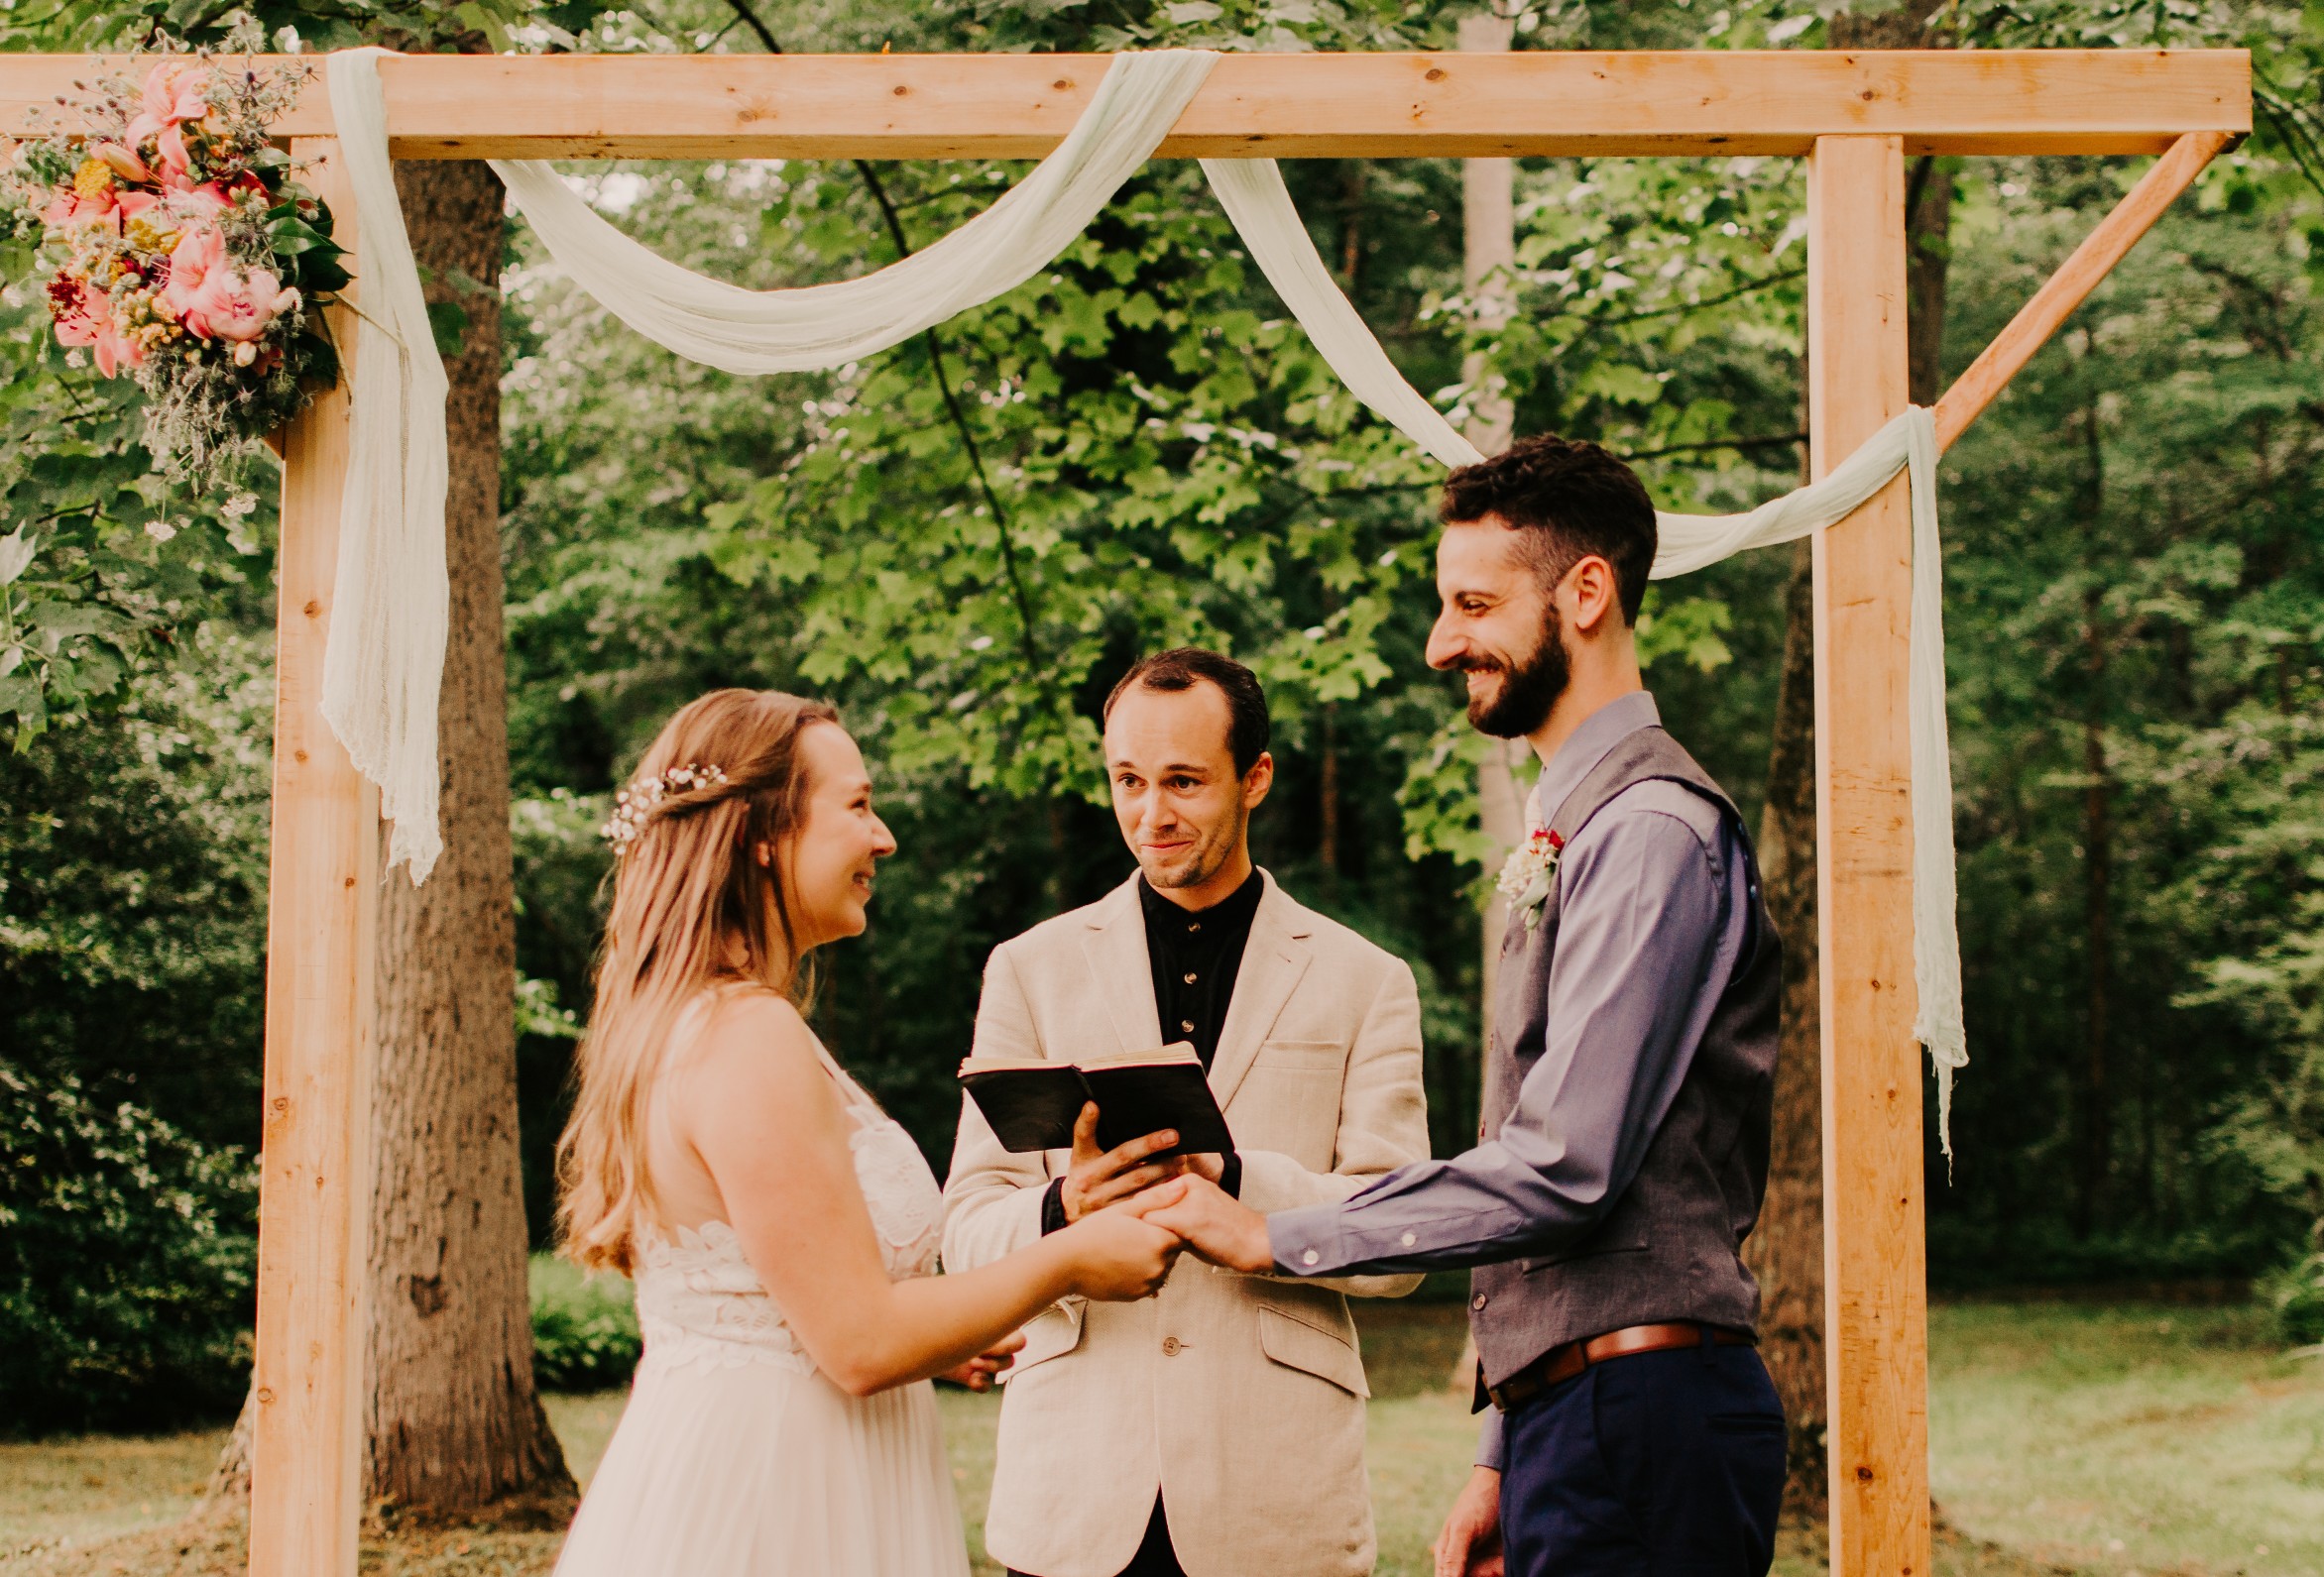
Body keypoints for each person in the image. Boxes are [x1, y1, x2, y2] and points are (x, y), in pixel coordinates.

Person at [1140, 438, 1790, 1577]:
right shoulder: (1581, 824)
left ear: (1585, 592)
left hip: (1641, 1420)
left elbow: (1562, 1167)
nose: (1443, 643)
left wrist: (1274, 1235)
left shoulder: (1646, 832)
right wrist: (1505, 1444)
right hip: (1579, 1414)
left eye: (1474, 603)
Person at [549, 689, 1183, 1577]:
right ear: (763, 836)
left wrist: (952, 1329)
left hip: (759, 1453)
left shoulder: (701, 1019)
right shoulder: (747, 1035)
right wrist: (1073, 1259)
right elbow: (858, 1342)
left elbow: (810, 1305)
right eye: (856, 805)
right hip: (773, 1499)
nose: (882, 837)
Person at [941, 648, 1432, 1577]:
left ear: (1256, 779)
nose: (1150, 814)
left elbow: (1401, 1235)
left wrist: (1238, 1183)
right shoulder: (1028, 969)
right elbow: (962, 1232)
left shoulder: (1367, 981)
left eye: (1183, 782)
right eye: (1128, 780)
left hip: (1277, 1499)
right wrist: (1063, 1209)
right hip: (1074, 1494)